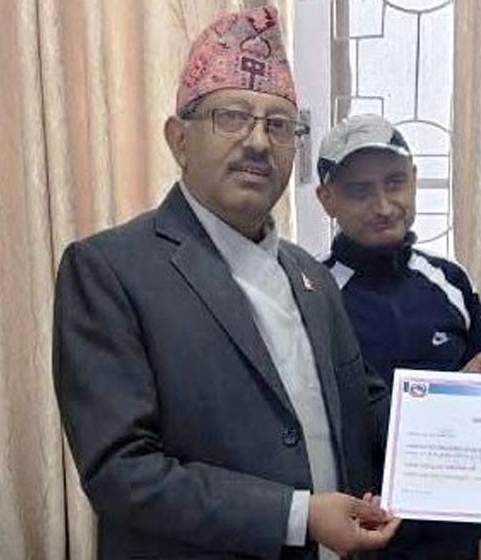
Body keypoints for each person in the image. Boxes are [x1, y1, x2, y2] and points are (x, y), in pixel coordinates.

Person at [53, 8, 405, 559]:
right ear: (179, 140)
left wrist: (466, 405)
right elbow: (121, 472)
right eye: (232, 116)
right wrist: (297, 516)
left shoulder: (311, 276)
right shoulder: (109, 270)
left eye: (279, 125)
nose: (258, 142)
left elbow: (364, 407)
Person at [313, 114, 481, 560]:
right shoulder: (312, 291)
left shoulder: (451, 280)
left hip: (457, 527)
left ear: (415, 180)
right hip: (361, 527)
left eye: (395, 183)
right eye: (360, 191)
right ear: (327, 200)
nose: (384, 206)